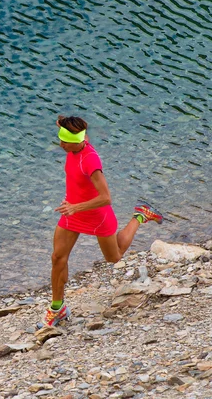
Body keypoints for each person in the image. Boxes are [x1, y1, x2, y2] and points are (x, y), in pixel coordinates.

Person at [43, 115, 163, 327]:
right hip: (72, 212)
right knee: (57, 258)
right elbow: (77, 131)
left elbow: (106, 197)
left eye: (64, 141)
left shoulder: (90, 160)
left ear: (78, 140)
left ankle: (141, 215)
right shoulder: (77, 142)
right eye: (60, 139)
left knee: (114, 256)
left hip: (96, 215)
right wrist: (62, 123)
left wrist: (75, 206)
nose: (61, 145)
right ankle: (57, 308)